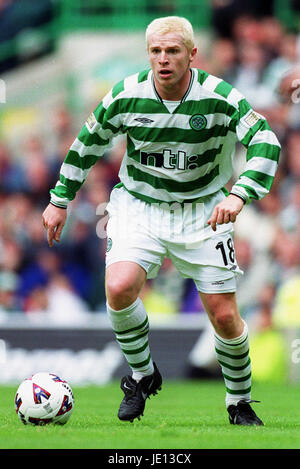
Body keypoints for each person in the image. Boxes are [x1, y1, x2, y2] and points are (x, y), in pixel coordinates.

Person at [42, 16, 281, 426]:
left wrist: (241, 194)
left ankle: (238, 402)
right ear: (148, 54)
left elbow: (266, 140)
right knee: (118, 287)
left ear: (192, 54)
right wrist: (60, 199)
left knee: (223, 315)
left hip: (204, 209)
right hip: (140, 206)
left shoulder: (220, 97)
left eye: (172, 51)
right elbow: (88, 143)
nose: (163, 59)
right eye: (156, 51)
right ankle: (142, 375)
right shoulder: (125, 95)